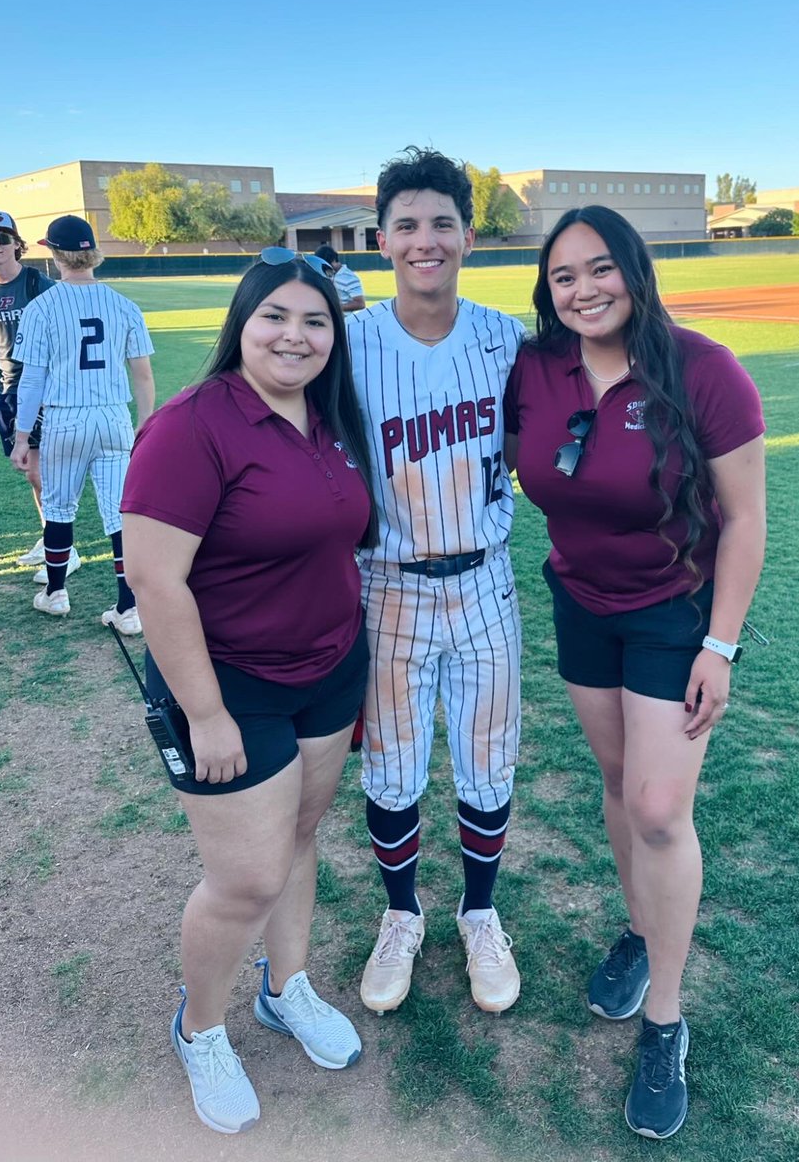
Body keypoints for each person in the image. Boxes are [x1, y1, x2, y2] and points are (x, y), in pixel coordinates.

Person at [504, 206, 766, 1139]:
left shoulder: (702, 369)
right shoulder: (534, 368)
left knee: (660, 808)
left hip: (672, 614)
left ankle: (664, 1016)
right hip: (579, 603)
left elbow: (743, 519)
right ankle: (639, 923)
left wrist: (719, 644)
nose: (583, 289)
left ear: (635, 270)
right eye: (563, 276)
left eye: (600, 268)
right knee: (618, 786)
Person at [120, 250, 379, 1135]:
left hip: (330, 669)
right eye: (275, 316)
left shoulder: (330, 415)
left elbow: (341, 542)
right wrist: (204, 712)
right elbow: (154, 581)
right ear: (242, 322)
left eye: (315, 321)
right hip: (230, 685)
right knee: (246, 877)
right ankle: (199, 1028)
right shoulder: (192, 425)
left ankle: (286, 989)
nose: (294, 335)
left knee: (301, 836)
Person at [347, 147, 524, 1016]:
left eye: (442, 224)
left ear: (468, 235)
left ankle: (480, 913)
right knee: (393, 764)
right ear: (383, 239)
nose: (426, 240)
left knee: (487, 762)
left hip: (486, 580)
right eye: (408, 225)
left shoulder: (504, 336)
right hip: (388, 587)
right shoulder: (346, 342)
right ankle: (401, 915)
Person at [9, 216, 155, 634]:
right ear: (93, 254)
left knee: (58, 508)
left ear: (55, 254)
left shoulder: (42, 306)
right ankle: (128, 609)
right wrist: (146, 426)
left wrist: (22, 437)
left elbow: (31, 379)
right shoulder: (124, 304)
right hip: (113, 417)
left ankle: (56, 594)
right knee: (119, 514)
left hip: (64, 417)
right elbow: (142, 375)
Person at [0, 210, 81, 581]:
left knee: (42, 470)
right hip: (9, 392)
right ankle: (51, 537)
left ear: (17, 242)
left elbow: (68, 337)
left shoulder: (39, 284)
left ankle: (65, 549)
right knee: (32, 472)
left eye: (1, 237)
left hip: (45, 389)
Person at [314, 244, 366, 312]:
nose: (324, 268)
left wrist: (334, 308)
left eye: (326, 265)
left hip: (344, 321)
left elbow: (360, 304)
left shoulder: (349, 278)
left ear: (334, 260)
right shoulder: (325, 273)